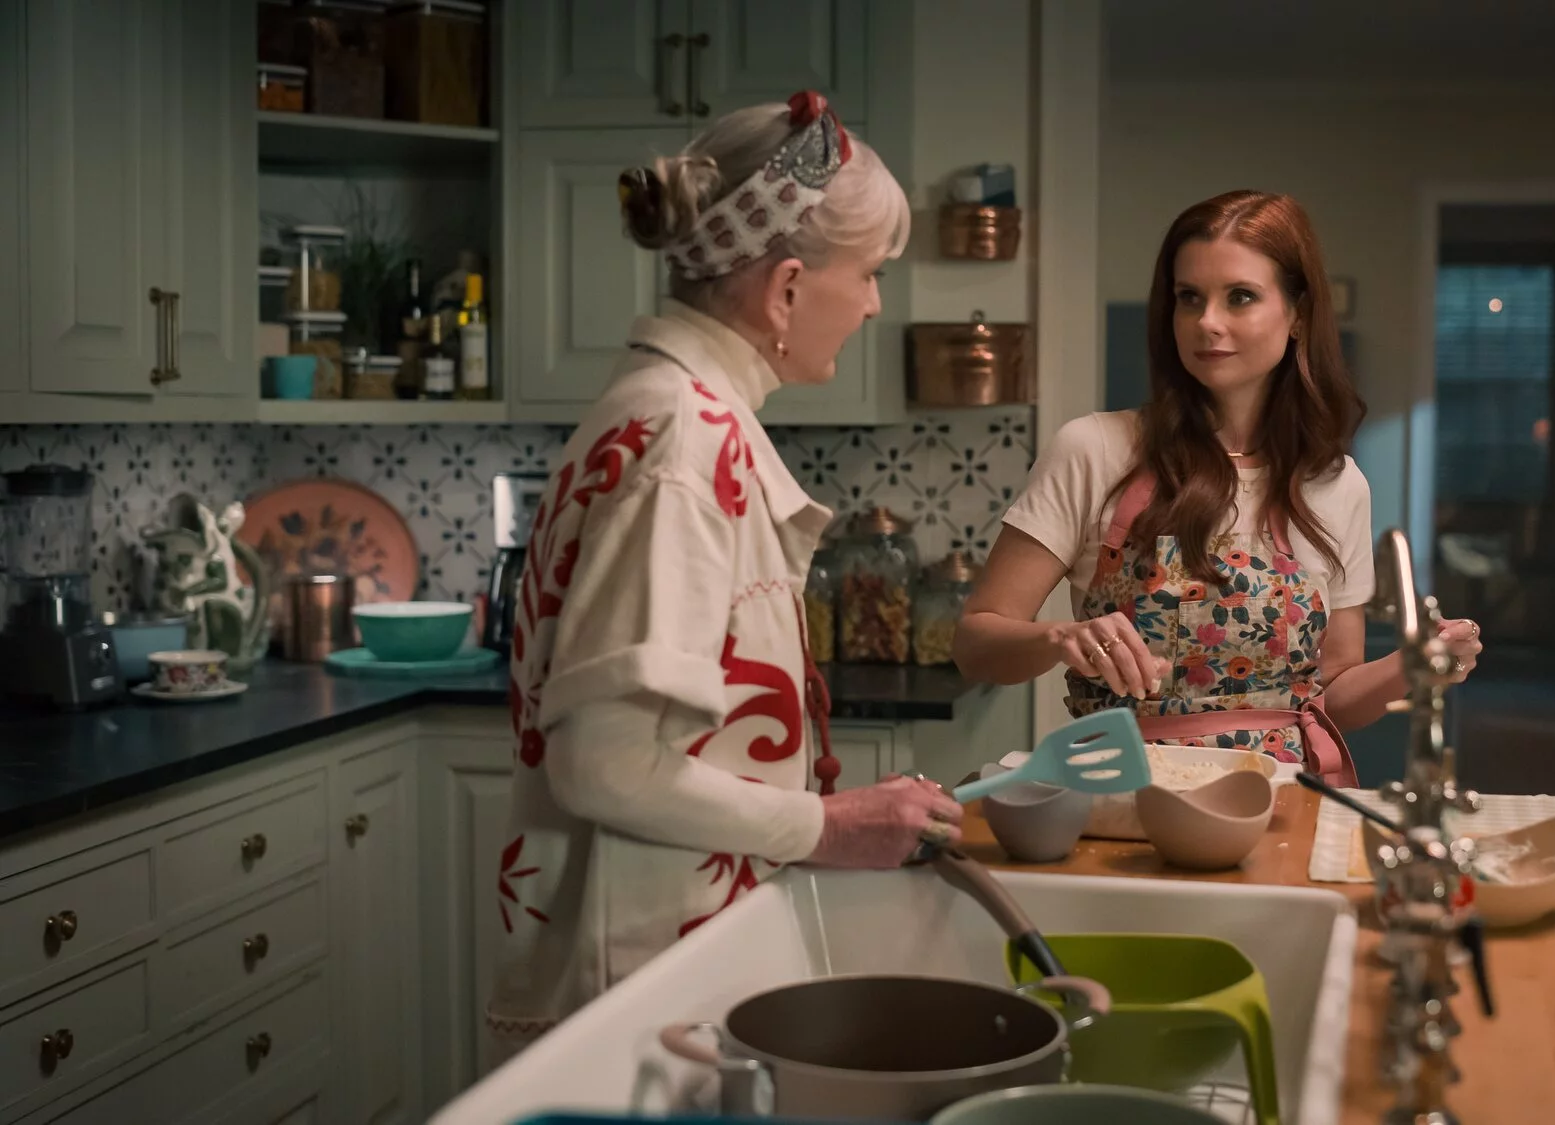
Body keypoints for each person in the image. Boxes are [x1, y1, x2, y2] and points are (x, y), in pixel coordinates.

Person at [486, 92, 961, 1053]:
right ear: (786, 289)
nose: (874, 303)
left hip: (661, 937)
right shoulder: (685, 443)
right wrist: (829, 824)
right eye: (869, 274)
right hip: (644, 963)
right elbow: (604, 763)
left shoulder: (666, 410)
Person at [954, 190, 1483, 784]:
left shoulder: (1335, 483)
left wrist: (1413, 665)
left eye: (1240, 297)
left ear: (1298, 314)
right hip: (1124, 801)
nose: (1207, 321)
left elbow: (1332, 697)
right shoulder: (1095, 450)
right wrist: (1062, 637)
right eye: (1189, 298)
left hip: (1281, 804)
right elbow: (976, 644)